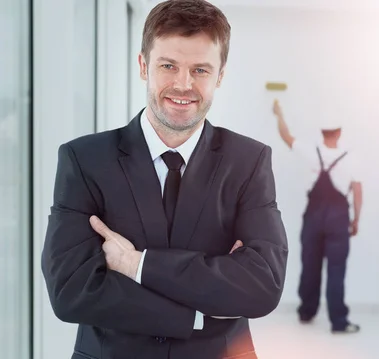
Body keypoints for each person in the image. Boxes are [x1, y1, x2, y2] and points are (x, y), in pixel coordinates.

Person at [41, 1, 288, 358]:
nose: (183, 84)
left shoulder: (249, 161)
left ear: (220, 76)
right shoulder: (84, 160)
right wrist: (197, 313)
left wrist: (135, 265)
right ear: (144, 66)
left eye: (200, 70)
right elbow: (70, 290)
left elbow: (263, 286)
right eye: (168, 65)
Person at [272, 99, 362, 334]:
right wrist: (356, 220)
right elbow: (358, 190)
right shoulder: (351, 157)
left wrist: (279, 114)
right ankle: (339, 322)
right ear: (339, 132)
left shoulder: (311, 151)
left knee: (310, 266)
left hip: (313, 218)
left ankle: (306, 312)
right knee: (336, 270)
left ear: (322, 132)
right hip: (339, 219)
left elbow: (286, 135)